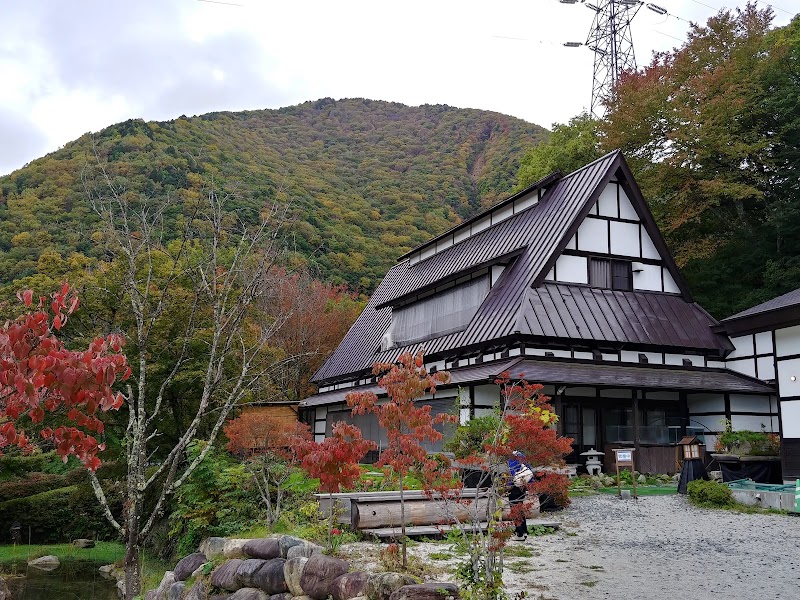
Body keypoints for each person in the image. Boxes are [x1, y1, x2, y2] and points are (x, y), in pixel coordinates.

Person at [507, 451, 533, 541]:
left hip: (515, 486)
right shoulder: (521, 455)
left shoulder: (512, 458)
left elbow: (512, 473)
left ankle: (519, 534)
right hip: (524, 485)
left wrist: (507, 485)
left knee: (515, 509)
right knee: (520, 508)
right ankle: (524, 531)